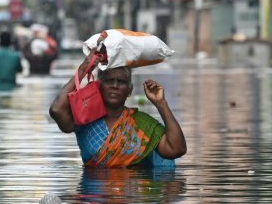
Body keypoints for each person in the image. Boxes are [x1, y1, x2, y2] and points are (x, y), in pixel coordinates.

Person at [49, 45, 187, 168]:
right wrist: (84, 68)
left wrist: (161, 103)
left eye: (121, 82)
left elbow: (176, 149)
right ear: (98, 86)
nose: (115, 86)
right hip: (93, 194)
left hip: (134, 194)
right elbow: (56, 110)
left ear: (129, 90)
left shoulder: (143, 124)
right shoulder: (85, 119)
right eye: (109, 81)